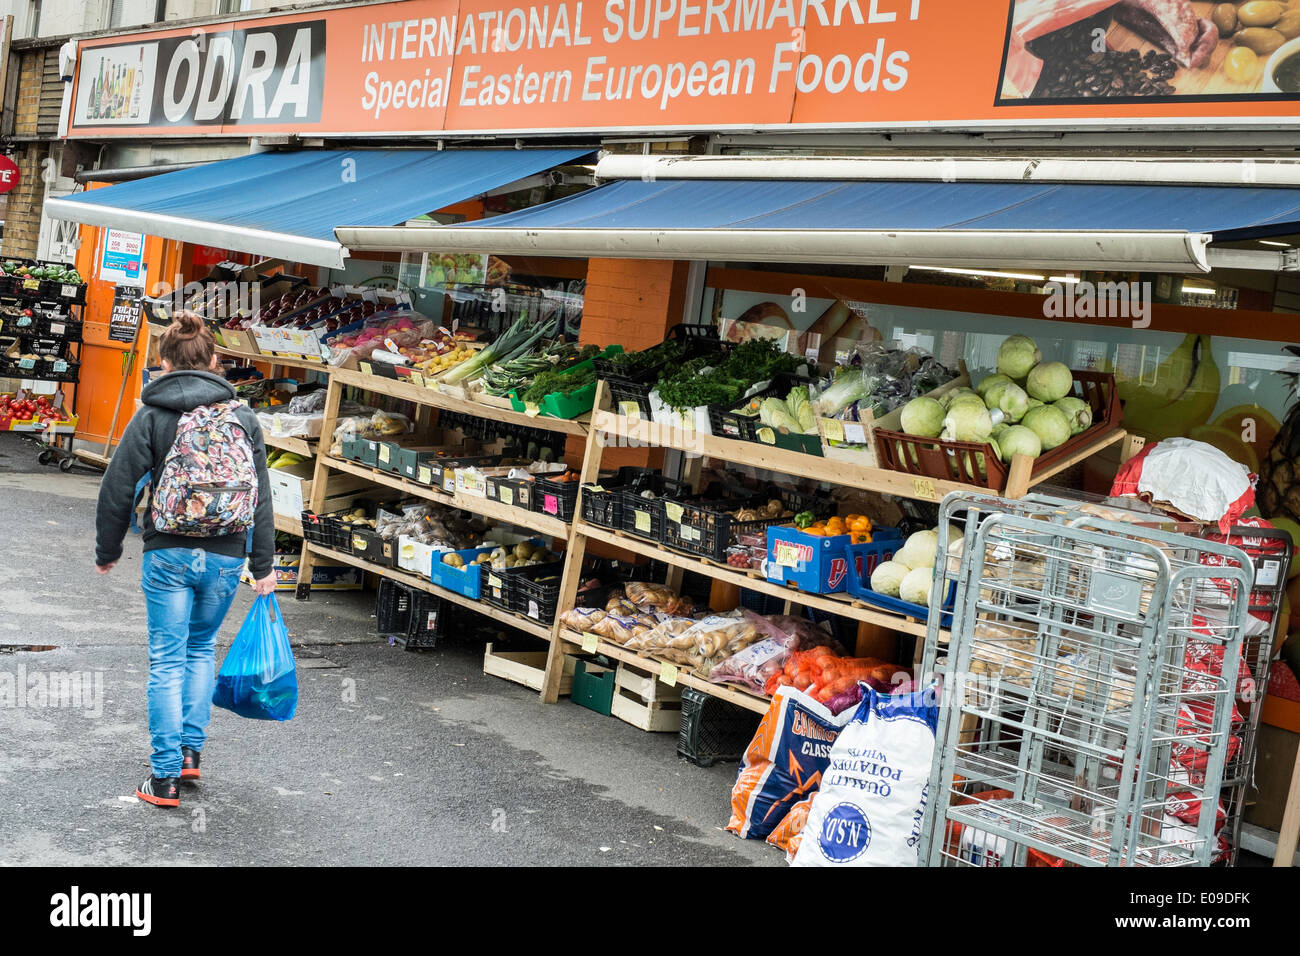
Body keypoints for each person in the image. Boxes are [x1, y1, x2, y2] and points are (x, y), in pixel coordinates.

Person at [95, 311, 276, 809]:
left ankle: (164, 777)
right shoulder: (243, 417)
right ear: (215, 361)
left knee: (167, 660)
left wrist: (107, 551)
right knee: (200, 651)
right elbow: (260, 496)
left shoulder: (151, 414)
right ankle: (191, 754)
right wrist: (263, 565)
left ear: (163, 360)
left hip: (168, 552)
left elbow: (117, 487)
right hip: (224, 556)